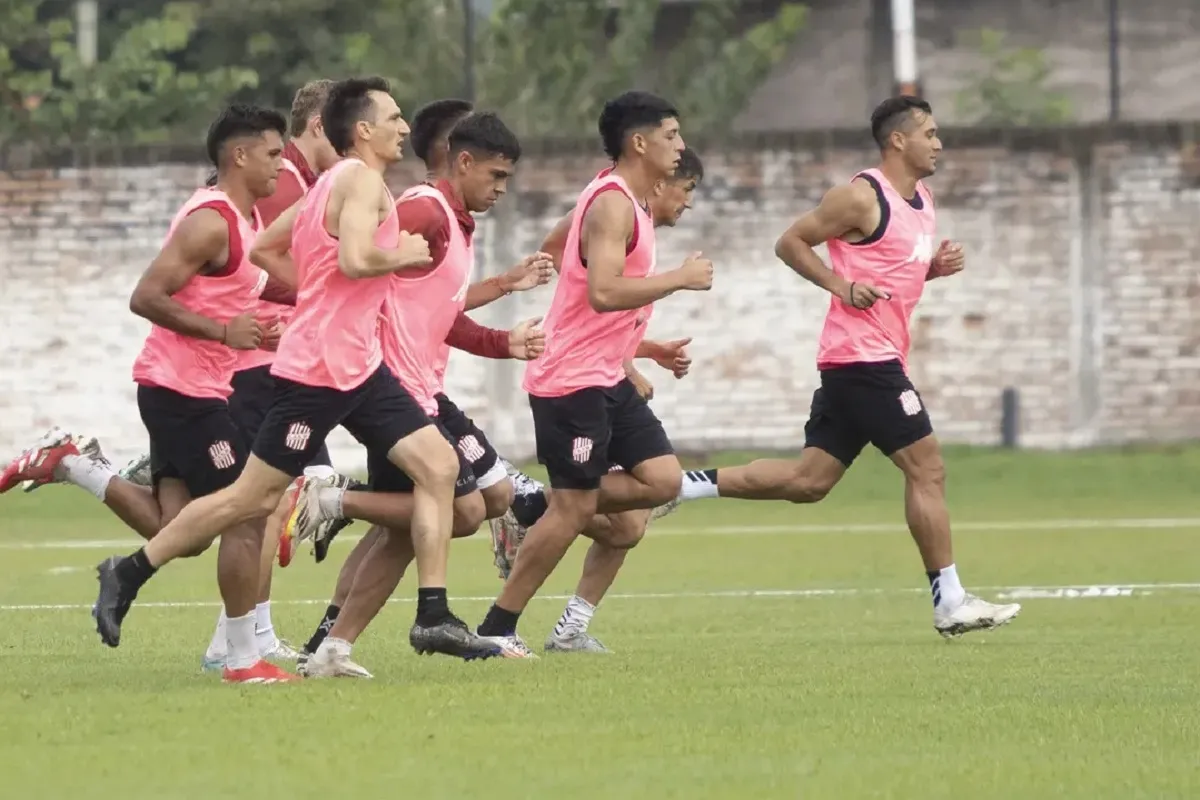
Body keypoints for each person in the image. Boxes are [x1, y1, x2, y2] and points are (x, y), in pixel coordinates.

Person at [89, 77, 503, 671]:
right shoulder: (357, 180)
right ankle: (128, 572)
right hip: (320, 371)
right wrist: (403, 256)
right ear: (362, 130)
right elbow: (358, 260)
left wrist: (322, 293)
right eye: (393, 117)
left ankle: (433, 615)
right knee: (250, 498)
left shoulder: (332, 181)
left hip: (360, 365)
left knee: (437, 466)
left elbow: (267, 251)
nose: (405, 128)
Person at [672, 96, 1021, 638]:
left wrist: (930, 271)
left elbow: (888, 274)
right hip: (865, 361)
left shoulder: (922, 199)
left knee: (809, 481)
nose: (939, 143)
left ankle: (680, 485)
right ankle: (950, 600)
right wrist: (841, 285)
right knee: (927, 468)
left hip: (861, 360)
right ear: (897, 141)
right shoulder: (860, 196)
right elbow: (790, 243)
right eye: (929, 133)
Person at [1, 103, 297, 683]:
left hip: (191, 387)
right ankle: (239, 659)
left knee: (178, 529)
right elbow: (146, 296)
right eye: (272, 154)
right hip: (181, 391)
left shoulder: (245, 220)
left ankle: (73, 465)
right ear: (238, 156)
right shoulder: (211, 221)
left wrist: (321, 301)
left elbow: (252, 287)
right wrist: (224, 331)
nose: (281, 166)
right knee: (248, 511)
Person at [276, 111, 551, 676]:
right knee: (465, 508)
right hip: (395, 388)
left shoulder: (451, 217)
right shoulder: (422, 210)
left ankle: (330, 643)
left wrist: (504, 309)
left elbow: (433, 310)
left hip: (423, 386)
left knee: (432, 518)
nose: (502, 189)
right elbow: (359, 278)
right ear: (460, 158)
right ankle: (329, 503)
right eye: (496, 176)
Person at [473, 91, 714, 656]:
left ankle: (534, 508)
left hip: (605, 375)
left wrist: (634, 350)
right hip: (570, 380)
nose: (680, 147)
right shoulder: (610, 204)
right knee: (578, 506)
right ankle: (497, 627)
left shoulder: (617, 199)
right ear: (640, 142)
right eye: (672, 136)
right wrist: (678, 278)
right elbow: (604, 291)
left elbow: (561, 254)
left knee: (660, 486)